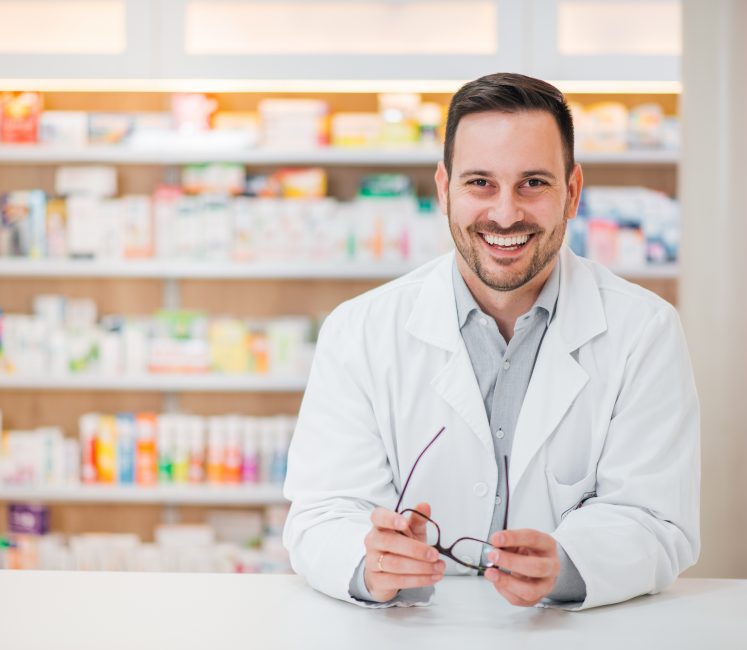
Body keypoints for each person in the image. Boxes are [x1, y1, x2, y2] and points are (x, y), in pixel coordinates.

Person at [282, 73, 700, 610]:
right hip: (408, 632)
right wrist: (371, 563)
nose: (505, 213)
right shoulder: (359, 330)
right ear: (443, 188)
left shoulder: (645, 331)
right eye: (480, 182)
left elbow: (655, 517)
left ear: (571, 192)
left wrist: (569, 563)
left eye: (533, 183)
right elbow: (322, 512)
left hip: (573, 635)